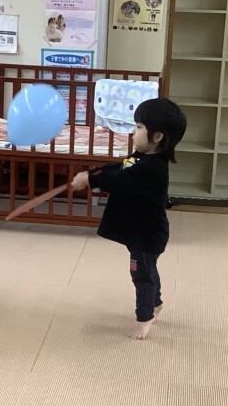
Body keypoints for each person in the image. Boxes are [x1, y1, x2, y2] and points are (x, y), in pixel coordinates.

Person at [71, 98, 186, 340]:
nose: (134, 132)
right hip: (142, 231)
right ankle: (155, 303)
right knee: (147, 267)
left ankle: (145, 317)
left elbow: (121, 180)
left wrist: (91, 181)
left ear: (157, 137)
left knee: (141, 274)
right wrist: (94, 172)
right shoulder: (141, 157)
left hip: (147, 234)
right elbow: (121, 167)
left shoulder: (152, 168)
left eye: (139, 127)